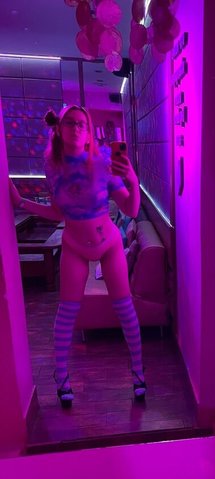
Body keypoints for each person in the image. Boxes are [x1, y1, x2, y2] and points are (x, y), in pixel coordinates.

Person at [8, 105, 146, 407]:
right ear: (59, 129)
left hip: (108, 243)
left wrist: (133, 181)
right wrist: (22, 203)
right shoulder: (51, 166)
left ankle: (139, 373)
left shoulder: (103, 162)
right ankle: (61, 377)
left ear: (89, 132)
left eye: (82, 124)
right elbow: (59, 211)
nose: (77, 128)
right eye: (70, 122)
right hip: (74, 244)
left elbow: (131, 209)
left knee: (125, 309)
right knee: (66, 312)